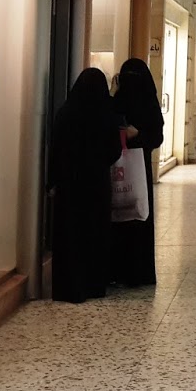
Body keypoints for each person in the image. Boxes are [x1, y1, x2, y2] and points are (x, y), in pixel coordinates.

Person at [49, 69, 123, 303]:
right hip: (96, 185)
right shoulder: (106, 114)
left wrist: (51, 181)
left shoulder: (66, 113)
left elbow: (55, 149)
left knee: (70, 234)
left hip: (69, 185)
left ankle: (69, 287)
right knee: (94, 233)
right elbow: (114, 151)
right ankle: (93, 284)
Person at [111, 59, 164, 287]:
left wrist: (138, 135)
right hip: (116, 167)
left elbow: (156, 137)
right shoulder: (117, 101)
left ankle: (137, 272)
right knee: (118, 217)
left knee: (137, 214)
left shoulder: (149, 106)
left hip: (138, 169)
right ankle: (116, 270)